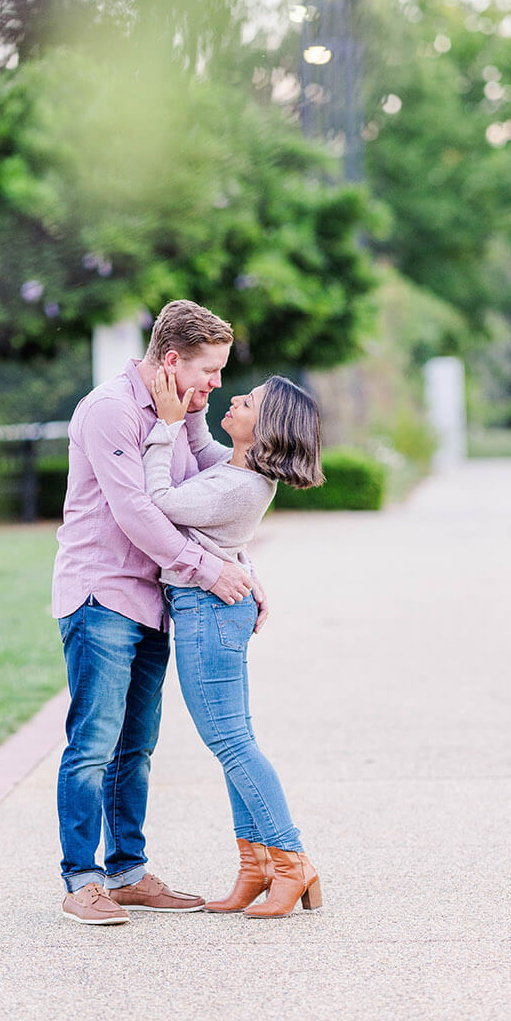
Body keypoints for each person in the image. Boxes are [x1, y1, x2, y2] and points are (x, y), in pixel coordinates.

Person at [52, 299, 265, 926]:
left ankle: (127, 873)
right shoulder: (110, 411)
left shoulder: (181, 412)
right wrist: (211, 571)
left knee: (136, 746)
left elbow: (208, 483)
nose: (217, 386)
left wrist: (245, 565)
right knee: (93, 740)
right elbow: (136, 512)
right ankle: (81, 881)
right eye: (210, 371)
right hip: (102, 595)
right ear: (171, 360)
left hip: (153, 599)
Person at [142, 366, 324, 918]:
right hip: (213, 609)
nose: (236, 398)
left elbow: (157, 500)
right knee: (231, 740)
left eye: (249, 402)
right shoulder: (232, 468)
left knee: (230, 742)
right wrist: (193, 408)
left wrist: (164, 427)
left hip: (207, 610)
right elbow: (203, 448)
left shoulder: (237, 486)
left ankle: (292, 861)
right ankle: (256, 868)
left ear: (265, 429)